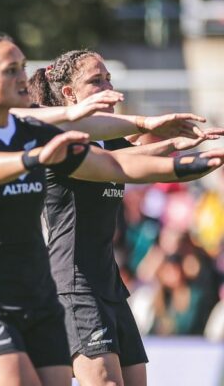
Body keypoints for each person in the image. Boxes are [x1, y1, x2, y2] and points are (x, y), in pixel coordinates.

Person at [0, 3, 203, 386]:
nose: (22, 75)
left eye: (21, 66)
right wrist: (41, 149)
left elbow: (116, 163)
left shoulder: (26, 130)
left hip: (20, 276)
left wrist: (192, 157)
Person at [28, 49, 224, 386]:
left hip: (110, 286)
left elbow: (136, 152)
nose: (108, 87)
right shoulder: (63, 142)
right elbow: (136, 167)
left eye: (108, 79)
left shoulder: (109, 141)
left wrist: (177, 140)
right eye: (95, 81)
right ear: (69, 95)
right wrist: (198, 161)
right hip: (74, 286)